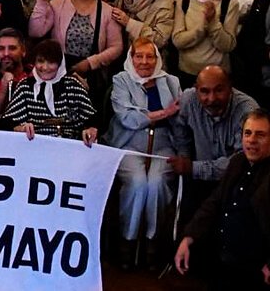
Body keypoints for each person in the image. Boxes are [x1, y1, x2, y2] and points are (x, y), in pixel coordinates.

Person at [105, 39, 181, 269]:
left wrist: (153, 114)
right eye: (139, 56)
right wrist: (162, 113)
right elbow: (127, 118)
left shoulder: (171, 81)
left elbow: (179, 118)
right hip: (129, 143)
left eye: (150, 57)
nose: (144, 62)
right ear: (131, 57)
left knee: (156, 183)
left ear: (157, 59)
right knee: (138, 183)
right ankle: (127, 243)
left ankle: (152, 244)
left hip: (164, 144)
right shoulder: (121, 80)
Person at [174, 109, 270, 289]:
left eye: (260, 135)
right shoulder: (237, 162)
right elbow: (213, 203)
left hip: (255, 269)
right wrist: (188, 237)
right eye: (247, 133)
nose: (252, 140)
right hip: (222, 260)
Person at [169, 66, 257, 213]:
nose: (211, 98)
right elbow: (180, 131)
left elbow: (241, 162)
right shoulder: (188, 99)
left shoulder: (248, 112)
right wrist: (184, 157)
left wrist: (193, 167)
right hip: (198, 178)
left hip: (235, 181)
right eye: (204, 91)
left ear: (230, 88)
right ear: (196, 89)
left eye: (219, 90)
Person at [1, 39, 99, 143]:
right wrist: (20, 128)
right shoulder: (25, 86)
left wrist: (91, 130)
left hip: (70, 147)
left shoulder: (73, 85)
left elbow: (93, 119)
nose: (45, 67)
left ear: (60, 64)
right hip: (34, 146)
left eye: (51, 62)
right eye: (40, 61)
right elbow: (6, 122)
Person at [171, 0, 239, 87]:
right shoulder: (182, 2)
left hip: (218, 75)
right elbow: (178, 41)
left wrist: (213, 22)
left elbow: (228, 45)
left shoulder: (230, 3)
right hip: (187, 73)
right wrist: (203, 25)